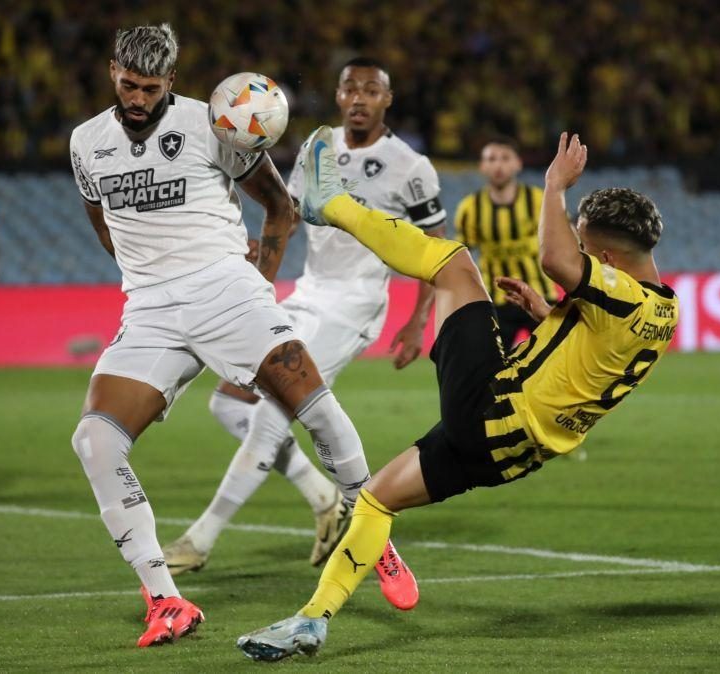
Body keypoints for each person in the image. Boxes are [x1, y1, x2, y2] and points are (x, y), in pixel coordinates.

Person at [236, 127, 679, 661]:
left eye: (586, 246)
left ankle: (331, 203)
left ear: (605, 254)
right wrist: (548, 315)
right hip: (510, 453)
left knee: (453, 265)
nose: (580, 251)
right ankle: (311, 621)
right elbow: (596, 352)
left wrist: (555, 187)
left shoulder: (623, 295)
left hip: (494, 407)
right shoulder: (664, 311)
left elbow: (554, 259)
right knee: (376, 498)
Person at [67, 25, 406, 648]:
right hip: (149, 311)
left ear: (171, 80)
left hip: (227, 291)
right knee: (94, 441)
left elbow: (279, 208)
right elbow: (102, 218)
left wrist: (258, 285)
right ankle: (166, 601)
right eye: (127, 83)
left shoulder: (215, 123)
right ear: (112, 70)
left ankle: (374, 534)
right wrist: (142, 274)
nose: (137, 98)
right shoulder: (87, 143)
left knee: (316, 409)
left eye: (150, 87)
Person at [163, 56, 442, 611]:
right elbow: (287, 214)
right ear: (338, 96)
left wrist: (418, 320)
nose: (359, 97)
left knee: (270, 414)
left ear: (387, 101)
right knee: (228, 404)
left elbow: (434, 245)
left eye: (371, 90)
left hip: (357, 303)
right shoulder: (319, 149)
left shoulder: (410, 166)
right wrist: (257, 263)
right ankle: (325, 497)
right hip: (312, 293)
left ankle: (199, 540)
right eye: (350, 88)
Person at [454, 136, 558, 349]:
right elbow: (459, 258)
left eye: (505, 158)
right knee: (491, 371)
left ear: (517, 163)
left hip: (540, 297)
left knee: (556, 366)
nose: (498, 165)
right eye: (491, 159)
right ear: (482, 166)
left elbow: (564, 244)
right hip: (494, 302)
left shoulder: (538, 201)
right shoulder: (470, 208)